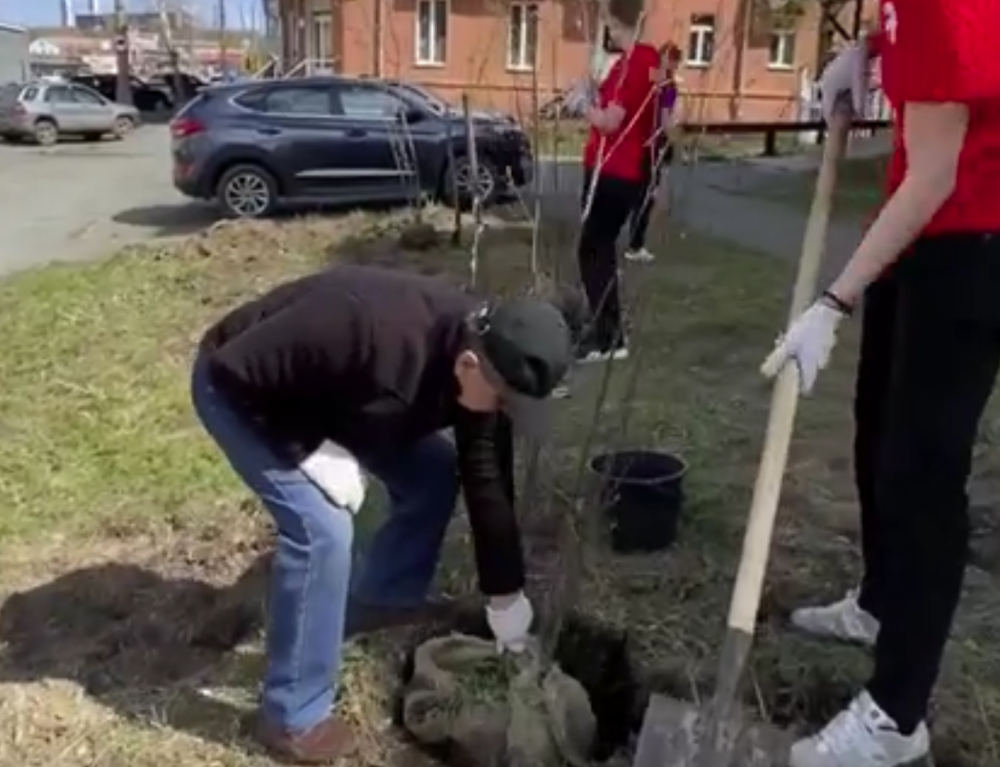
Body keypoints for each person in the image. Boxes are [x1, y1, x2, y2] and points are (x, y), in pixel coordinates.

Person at [191, 264, 572, 764]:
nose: (503, 413)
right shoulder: (367, 327)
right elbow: (235, 371)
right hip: (248, 393)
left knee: (434, 474)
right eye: (503, 402)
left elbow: (487, 483)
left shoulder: (486, 365)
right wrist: (308, 451)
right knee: (322, 531)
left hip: (343, 400)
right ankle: (293, 717)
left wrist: (506, 597)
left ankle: (383, 600)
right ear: (468, 366)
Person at [761, 1, 1000, 764]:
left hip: (972, 241)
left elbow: (936, 173)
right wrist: (867, 49)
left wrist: (833, 302)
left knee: (924, 476)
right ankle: (879, 601)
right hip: (922, 227)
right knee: (876, 429)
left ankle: (898, 714)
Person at [573, 0, 659, 364]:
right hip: (620, 170)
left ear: (620, 21)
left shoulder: (634, 63)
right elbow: (616, 103)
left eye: (608, 22)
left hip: (613, 170)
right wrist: (592, 92)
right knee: (599, 250)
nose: (606, 30)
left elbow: (611, 122)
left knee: (593, 251)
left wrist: (581, 106)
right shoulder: (644, 61)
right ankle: (607, 330)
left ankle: (609, 339)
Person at [625, 42, 682, 264]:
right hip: (653, 145)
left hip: (637, 142)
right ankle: (635, 245)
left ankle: (632, 240)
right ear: (673, 62)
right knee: (646, 195)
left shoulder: (649, 80)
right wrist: (674, 140)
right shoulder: (668, 86)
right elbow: (666, 119)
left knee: (638, 192)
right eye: (673, 60)